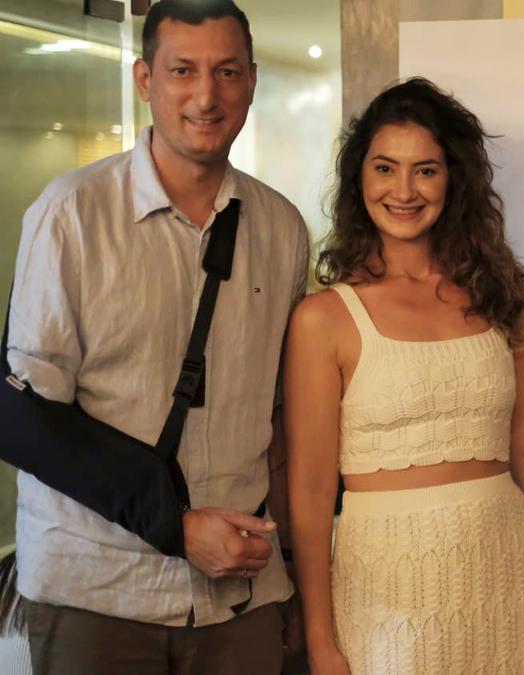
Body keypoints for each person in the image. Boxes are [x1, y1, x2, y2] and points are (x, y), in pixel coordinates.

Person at [5, 0, 308, 673]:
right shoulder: (72, 213)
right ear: (145, 79)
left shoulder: (282, 228)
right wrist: (177, 525)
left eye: (227, 72)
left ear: (252, 81)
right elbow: (27, 418)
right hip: (98, 596)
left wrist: (291, 572)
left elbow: (281, 422)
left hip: (241, 600)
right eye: (182, 71)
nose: (206, 96)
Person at [285, 77, 524, 675]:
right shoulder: (323, 319)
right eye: (385, 169)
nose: (404, 191)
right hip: (382, 589)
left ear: (453, 179)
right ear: (359, 179)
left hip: (507, 573)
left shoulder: (501, 295)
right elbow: (312, 489)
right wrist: (319, 636)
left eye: (425, 170)